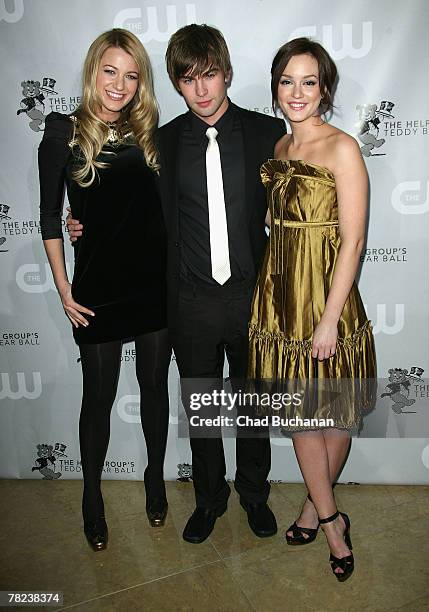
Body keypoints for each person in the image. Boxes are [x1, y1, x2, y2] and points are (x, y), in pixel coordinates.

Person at [68, 24, 286, 544]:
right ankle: (210, 500)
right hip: (189, 301)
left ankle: (254, 495)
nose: (202, 89)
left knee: (254, 407)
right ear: (176, 85)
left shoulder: (265, 134)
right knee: (203, 410)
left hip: (252, 298)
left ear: (227, 73)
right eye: (188, 80)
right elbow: (120, 204)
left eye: (210, 75)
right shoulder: (159, 145)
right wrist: (78, 224)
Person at [248, 37, 376, 581]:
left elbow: (353, 241)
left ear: (324, 88)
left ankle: (312, 510)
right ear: (276, 88)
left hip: (329, 295)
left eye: (308, 81)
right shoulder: (278, 149)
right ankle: (331, 523)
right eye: (286, 81)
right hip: (282, 294)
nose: (296, 92)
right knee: (304, 417)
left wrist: (328, 318)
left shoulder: (343, 148)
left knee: (336, 414)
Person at [38, 29, 171, 552]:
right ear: (94, 70)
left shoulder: (151, 132)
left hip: (153, 285)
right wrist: (64, 288)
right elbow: (51, 217)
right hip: (96, 287)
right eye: (110, 71)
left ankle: (155, 479)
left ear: (141, 83)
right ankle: (91, 495)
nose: (119, 84)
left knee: (157, 391)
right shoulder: (61, 132)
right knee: (99, 398)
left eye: (131, 75)